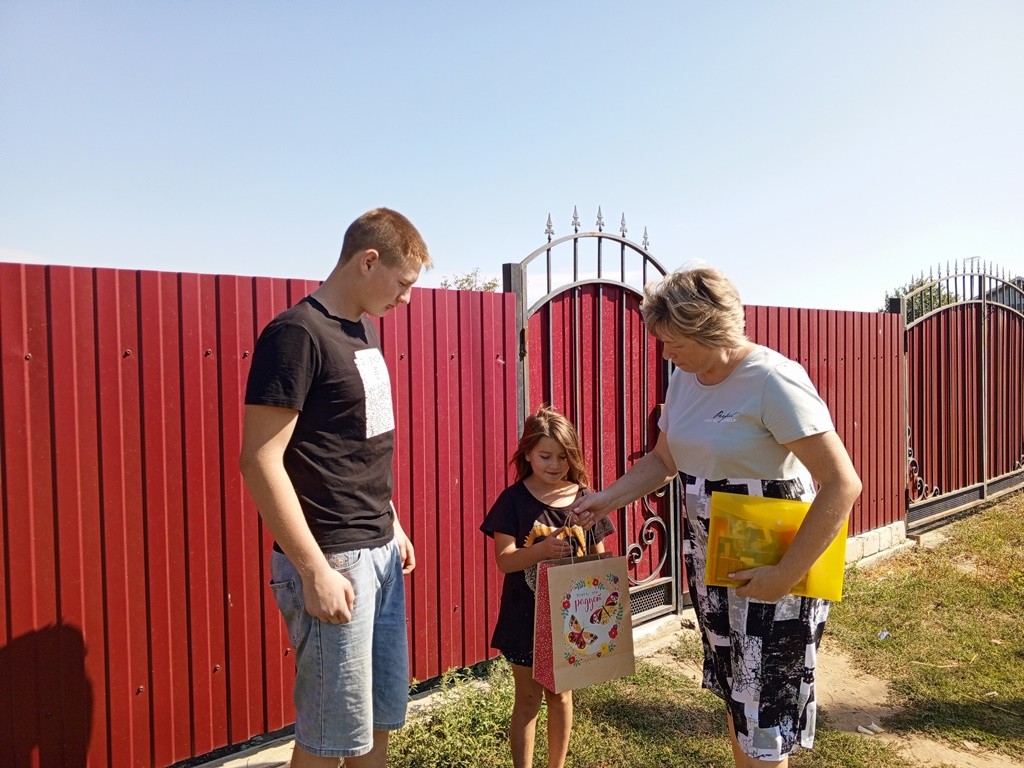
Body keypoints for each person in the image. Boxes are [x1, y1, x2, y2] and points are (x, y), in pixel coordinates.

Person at [571, 267, 862, 768]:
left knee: (763, 705)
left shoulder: (772, 379)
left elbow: (843, 483)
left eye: (672, 342)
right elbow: (664, 461)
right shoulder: (684, 379)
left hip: (772, 563)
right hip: (713, 560)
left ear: (708, 329)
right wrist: (608, 499)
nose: (664, 354)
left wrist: (782, 576)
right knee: (737, 692)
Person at [239, 208, 431, 768]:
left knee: (375, 725)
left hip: (378, 551)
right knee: (328, 741)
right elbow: (258, 459)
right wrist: (313, 569)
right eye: (402, 284)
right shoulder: (295, 333)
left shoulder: (362, 330)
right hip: (333, 560)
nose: (406, 299)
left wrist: (390, 520)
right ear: (368, 261)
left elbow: (358, 440)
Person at [480, 406, 615, 768]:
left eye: (563, 457)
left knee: (561, 696)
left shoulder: (586, 499)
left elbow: (599, 562)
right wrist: (539, 551)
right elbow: (505, 560)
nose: (554, 465)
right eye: (545, 456)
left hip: (572, 624)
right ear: (527, 454)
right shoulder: (512, 500)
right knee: (527, 700)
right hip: (524, 618)